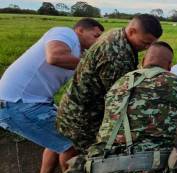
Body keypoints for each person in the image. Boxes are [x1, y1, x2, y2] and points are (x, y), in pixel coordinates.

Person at [62, 42, 177, 173]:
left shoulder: (119, 82)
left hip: (101, 165)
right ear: (170, 65)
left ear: (143, 61)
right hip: (152, 166)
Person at [0, 18, 104, 173]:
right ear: (80, 30)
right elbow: (54, 56)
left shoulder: (80, 54)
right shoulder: (64, 32)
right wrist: (95, 64)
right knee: (73, 144)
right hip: (18, 104)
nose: (98, 41)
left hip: (31, 103)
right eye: (96, 36)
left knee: (57, 139)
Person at [56, 14, 162, 153]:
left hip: (73, 108)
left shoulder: (118, 34)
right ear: (132, 31)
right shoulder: (117, 56)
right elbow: (119, 98)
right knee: (84, 158)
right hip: (84, 118)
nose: (147, 48)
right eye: (145, 43)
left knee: (66, 150)